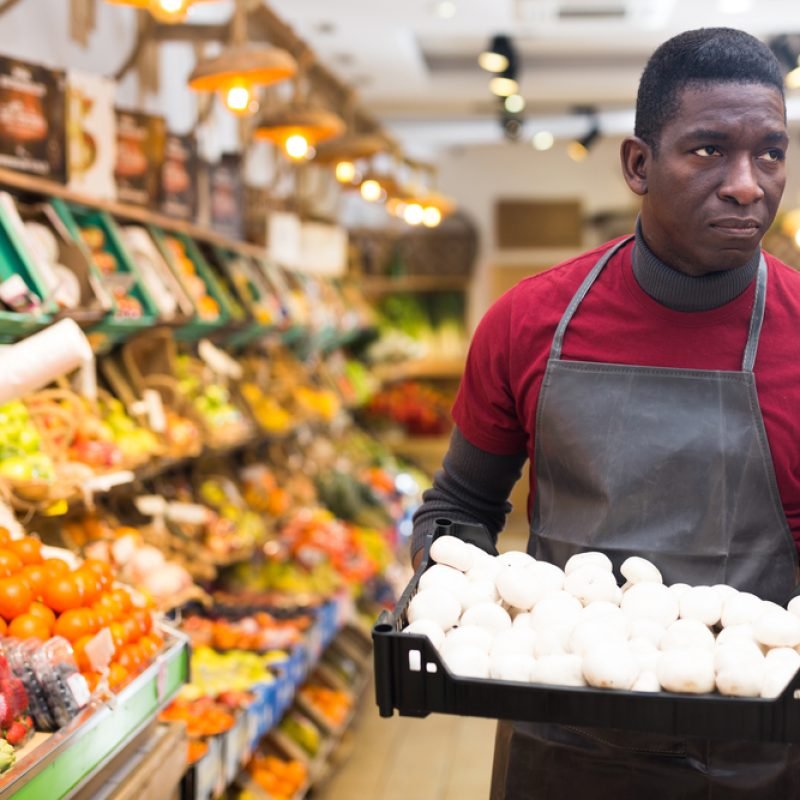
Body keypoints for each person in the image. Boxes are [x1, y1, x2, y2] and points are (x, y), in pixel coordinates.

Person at [410, 27, 800, 799]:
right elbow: (458, 506)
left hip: (765, 749)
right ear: (637, 164)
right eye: (707, 150)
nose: (747, 184)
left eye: (771, 153)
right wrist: (448, 604)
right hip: (561, 746)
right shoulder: (528, 323)